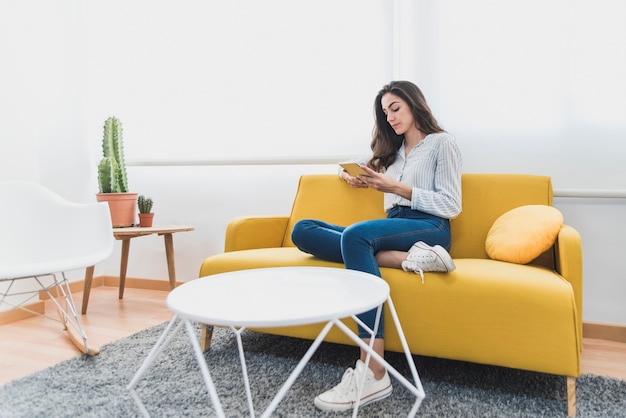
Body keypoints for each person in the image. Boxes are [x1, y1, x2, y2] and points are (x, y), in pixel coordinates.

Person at [290, 80, 462, 412]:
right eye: (385, 112)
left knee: (356, 236)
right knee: (303, 230)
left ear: (414, 105)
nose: (391, 116)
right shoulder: (390, 151)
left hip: (429, 224)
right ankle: (407, 259)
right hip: (393, 226)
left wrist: (395, 186)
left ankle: (374, 371)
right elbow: (346, 165)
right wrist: (351, 177)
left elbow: (452, 204)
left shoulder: (443, 143)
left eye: (395, 108)